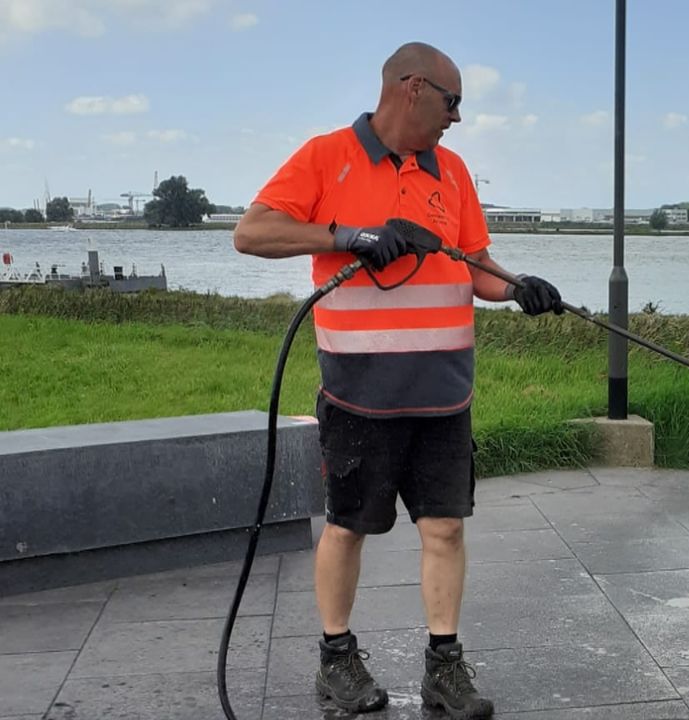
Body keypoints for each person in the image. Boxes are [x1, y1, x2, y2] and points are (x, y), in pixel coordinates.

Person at [233, 42, 563, 718]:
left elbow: (474, 263)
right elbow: (252, 232)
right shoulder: (327, 156)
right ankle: (336, 662)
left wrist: (518, 287)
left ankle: (444, 669)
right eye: (452, 102)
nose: (457, 118)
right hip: (360, 395)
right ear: (412, 88)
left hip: (444, 393)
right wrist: (348, 236)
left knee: (446, 529)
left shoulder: (453, 170)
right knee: (347, 528)